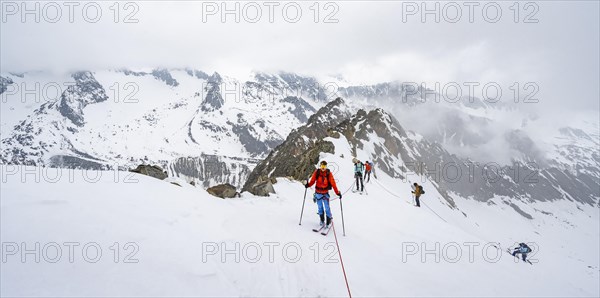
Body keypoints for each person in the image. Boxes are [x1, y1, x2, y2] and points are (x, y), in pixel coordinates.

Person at [305, 161, 341, 228]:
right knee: (320, 208)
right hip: (318, 193)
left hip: (325, 194)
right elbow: (312, 181)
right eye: (322, 166)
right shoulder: (317, 172)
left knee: (327, 208)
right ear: (320, 166)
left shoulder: (328, 174)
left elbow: (333, 184)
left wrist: (337, 192)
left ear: (326, 166)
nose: (323, 168)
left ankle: (328, 221)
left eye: (324, 166)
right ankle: (322, 220)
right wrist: (308, 185)